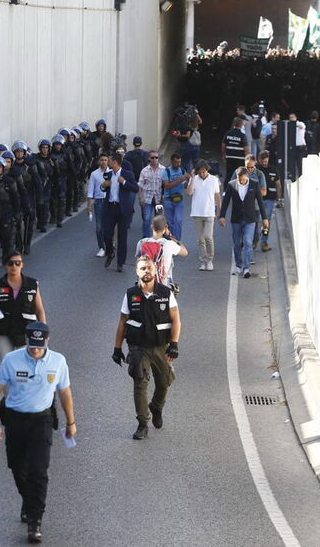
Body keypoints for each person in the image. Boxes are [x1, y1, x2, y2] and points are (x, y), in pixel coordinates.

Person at [0, 322, 76, 544]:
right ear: (26, 341)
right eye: (32, 346)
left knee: (39, 470)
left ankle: (35, 520)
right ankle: (28, 502)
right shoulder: (12, 360)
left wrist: (71, 422)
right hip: (15, 420)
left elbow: (64, 392)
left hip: (42, 420)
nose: (35, 350)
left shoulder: (58, 361)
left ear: (47, 342)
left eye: (39, 346)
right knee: (18, 468)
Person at [111, 256, 180, 441]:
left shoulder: (166, 293)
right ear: (137, 272)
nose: (146, 271)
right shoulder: (131, 294)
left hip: (160, 347)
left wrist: (174, 344)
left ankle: (157, 406)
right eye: (142, 268)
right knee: (140, 383)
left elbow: (176, 319)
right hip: (138, 347)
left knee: (164, 382)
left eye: (149, 267)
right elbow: (122, 321)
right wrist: (117, 348)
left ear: (155, 270)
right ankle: (142, 423)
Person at [0, 251, 47, 358]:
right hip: (3, 332)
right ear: (6, 265)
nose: (14, 266)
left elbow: (39, 310)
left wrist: (44, 333)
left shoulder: (32, 284)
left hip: (26, 332)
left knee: (24, 364)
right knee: (7, 364)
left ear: (22, 265)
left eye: (18, 263)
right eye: (10, 263)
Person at [219, 167, 269, 279]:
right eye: (238, 179)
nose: (240, 181)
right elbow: (226, 201)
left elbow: (260, 202)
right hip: (236, 219)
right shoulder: (231, 185)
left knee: (247, 242)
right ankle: (238, 265)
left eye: (242, 179)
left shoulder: (254, 184)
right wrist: (222, 216)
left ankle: (246, 268)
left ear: (247, 177)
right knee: (237, 243)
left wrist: (264, 218)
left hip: (250, 219)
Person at [101, 152, 140, 272]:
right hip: (110, 207)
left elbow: (135, 188)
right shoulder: (107, 174)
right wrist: (103, 186)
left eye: (110, 161)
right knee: (107, 233)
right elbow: (103, 188)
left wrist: (123, 182)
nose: (108, 163)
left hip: (123, 208)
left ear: (115, 162)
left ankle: (120, 263)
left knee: (122, 237)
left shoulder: (127, 174)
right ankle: (110, 253)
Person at [186, 159, 221, 271]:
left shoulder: (214, 180)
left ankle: (209, 260)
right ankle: (203, 260)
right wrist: (192, 178)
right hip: (197, 213)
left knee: (208, 237)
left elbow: (217, 196)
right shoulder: (194, 179)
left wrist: (219, 211)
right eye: (199, 172)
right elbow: (189, 193)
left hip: (209, 212)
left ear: (207, 170)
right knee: (200, 239)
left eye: (203, 172)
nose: (201, 174)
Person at [0, 157, 21, 268]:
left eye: (0, 167)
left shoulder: (9, 181)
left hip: (6, 213)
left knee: (7, 238)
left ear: (3, 168)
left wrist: (16, 213)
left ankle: (7, 259)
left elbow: (16, 198)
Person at [136, 215, 188, 287]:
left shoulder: (141, 242)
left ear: (152, 227)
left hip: (144, 283)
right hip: (163, 283)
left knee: (137, 297)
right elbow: (185, 252)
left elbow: (138, 263)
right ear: (165, 228)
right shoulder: (169, 244)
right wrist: (171, 238)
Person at [86, 153, 110, 257]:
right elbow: (90, 191)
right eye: (102, 160)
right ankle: (101, 247)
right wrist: (89, 206)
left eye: (105, 160)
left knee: (109, 225)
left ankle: (110, 246)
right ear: (99, 161)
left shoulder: (112, 172)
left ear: (108, 161)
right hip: (99, 201)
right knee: (99, 226)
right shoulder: (94, 174)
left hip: (110, 201)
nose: (103, 162)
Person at [137, 150, 165, 239]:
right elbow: (140, 186)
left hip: (159, 198)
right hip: (147, 198)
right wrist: (140, 198)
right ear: (149, 158)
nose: (154, 159)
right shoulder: (144, 171)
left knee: (158, 220)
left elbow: (166, 184)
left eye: (156, 157)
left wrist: (164, 196)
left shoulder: (163, 170)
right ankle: (145, 238)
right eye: (152, 157)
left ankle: (158, 238)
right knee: (147, 219)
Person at [161, 153, 189, 240]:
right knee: (170, 222)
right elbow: (167, 186)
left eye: (180, 162)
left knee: (179, 220)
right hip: (168, 199)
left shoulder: (182, 170)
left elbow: (185, 185)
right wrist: (180, 179)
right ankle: (171, 239)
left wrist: (187, 181)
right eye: (176, 162)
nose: (179, 164)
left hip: (179, 200)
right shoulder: (166, 171)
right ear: (172, 161)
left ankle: (177, 240)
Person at [257, 151, 281, 253]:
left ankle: (264, 241)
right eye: (262, 162)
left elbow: (278, 185)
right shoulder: (256, 170)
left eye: (265, 161)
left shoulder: (273, 170)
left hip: (270, 200)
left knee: (266, 223)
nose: (264, 163)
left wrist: (279, 199)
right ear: (259, 160)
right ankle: (254, 238)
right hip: (257, 200)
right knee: (255, 221)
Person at [222, 117, 250, 183]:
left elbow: (223, 145)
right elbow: (246, 149)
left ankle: (226, 190)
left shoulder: (227, 134)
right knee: (241, 175)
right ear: (241, 125)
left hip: (229, 157)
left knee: (229, 175)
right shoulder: (242, 136)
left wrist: (224, 155)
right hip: (240, 159)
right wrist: (247, 159)